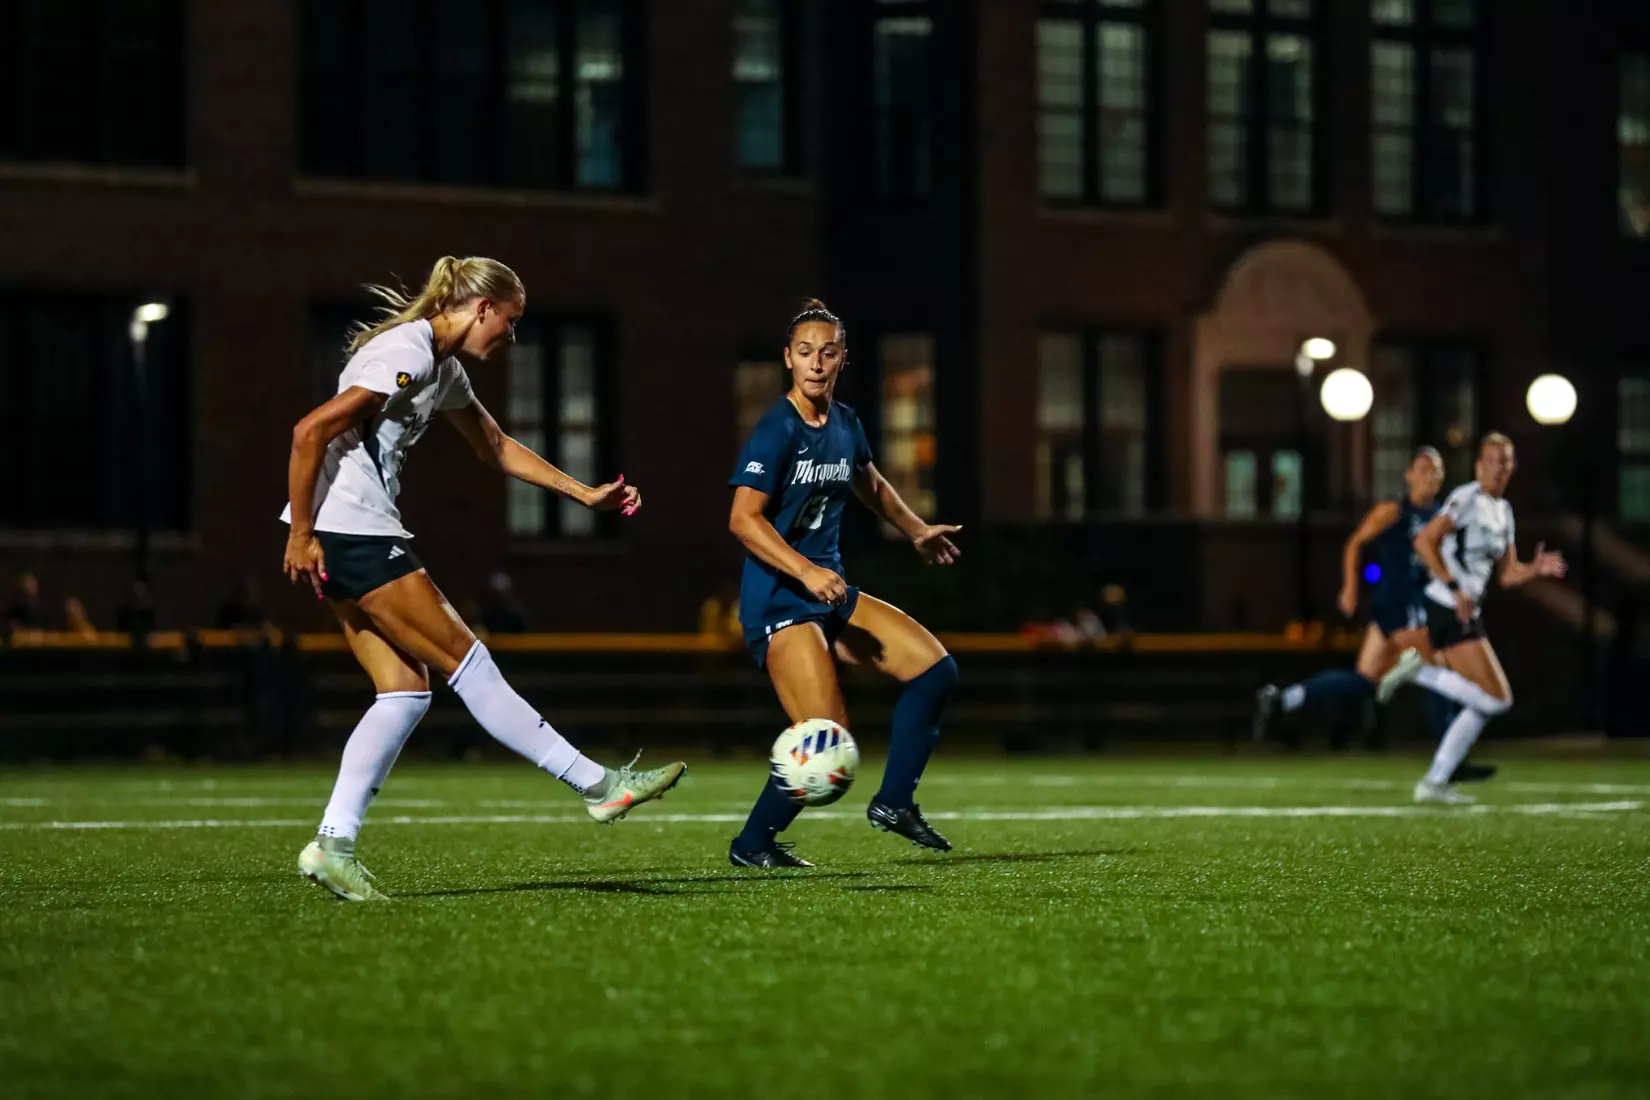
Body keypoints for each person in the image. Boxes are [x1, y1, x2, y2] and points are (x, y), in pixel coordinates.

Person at [281, 255, 685, 901]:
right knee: (469, 663)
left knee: (404, 692)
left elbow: (494, 445)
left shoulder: (442, 367)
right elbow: (310, 431)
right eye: (512, 320)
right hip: (352, 533)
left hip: (344, 532)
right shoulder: (406, 351)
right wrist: (303, 534)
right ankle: (600, 787)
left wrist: (582, 494)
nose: (513, 335)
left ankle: (333, 845)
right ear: (481, 308)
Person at [726, 299, 962, 868]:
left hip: (828, 594)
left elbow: (870, 482)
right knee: (827, 737)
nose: (815, 363)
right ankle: (752, 843)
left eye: (827, 352)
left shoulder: (846, 423)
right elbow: (742, 519)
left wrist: (915, 530)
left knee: (935, 672)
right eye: (804, 352)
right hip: (781, 600)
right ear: (788, 359)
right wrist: (805, 570)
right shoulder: (775, 430)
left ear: (842, 359)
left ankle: (895, 802)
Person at [1377, 433, 1567, 803]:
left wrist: (1536, 568)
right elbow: (1424, 542)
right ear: (1479, 466)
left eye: (1506, 461)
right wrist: (1454, 586)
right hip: (1447, 605)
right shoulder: (1466, 499)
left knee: (1485, 703)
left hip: (1466, 608)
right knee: (1498, 699)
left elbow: (1508, 574)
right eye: (1493, 460)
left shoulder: (1504, 511)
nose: (1499, 467)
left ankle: (1434, 781)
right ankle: (1420, 672)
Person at [1255, 447, 1445, 738]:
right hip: (1398, 602)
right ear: (1409, 475)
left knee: (1365, 681)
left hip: (1409, 605)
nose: (1429, 476)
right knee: (1439, 665)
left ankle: (1286, 699)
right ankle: (1450, 752)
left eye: (1435, 470)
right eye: (1423, 469)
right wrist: (1351, 587)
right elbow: (1355, 543)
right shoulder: (1393, 511)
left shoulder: (1442, 515)